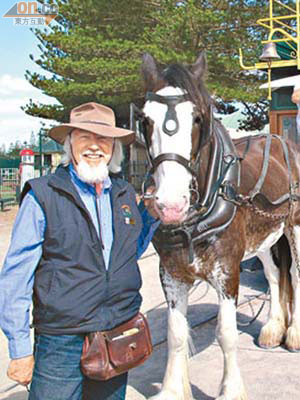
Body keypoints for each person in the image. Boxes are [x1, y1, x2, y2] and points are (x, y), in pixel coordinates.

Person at [0, 102, 159, 400]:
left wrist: (151, 216)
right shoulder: (43, 195)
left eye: (103, 139)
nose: (95, 147)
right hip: (62, 340)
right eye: (85, 137)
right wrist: (20, 349)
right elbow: (15, 277)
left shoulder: (123, 193)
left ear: (114, 148)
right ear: (70, 144)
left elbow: (125, 256)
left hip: (116, 332)